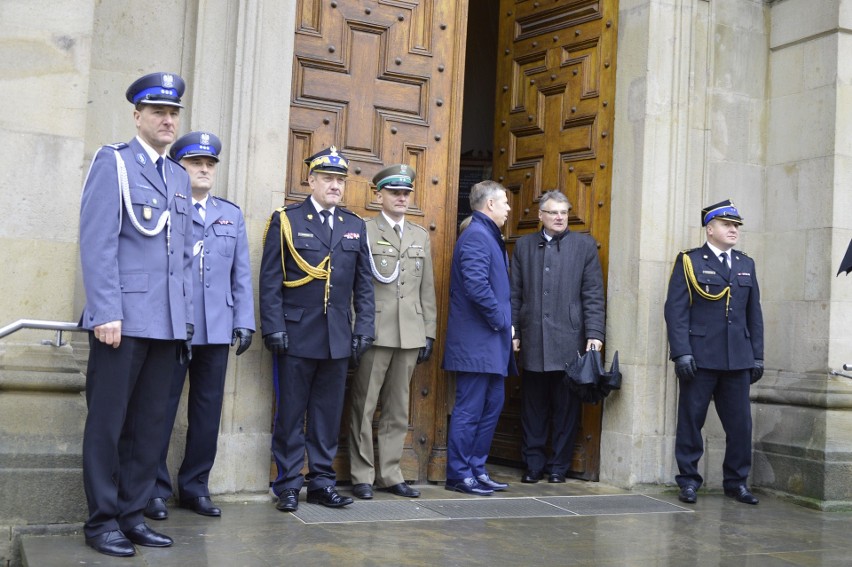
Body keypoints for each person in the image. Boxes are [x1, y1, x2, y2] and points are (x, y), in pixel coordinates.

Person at [78, 72, 194, 557]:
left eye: (174, 114)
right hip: (120, 321)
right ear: (138, 116)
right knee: (108, 424)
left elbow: (183, 256)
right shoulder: (115, 164)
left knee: (150, 426)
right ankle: (102, 520)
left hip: (166, 324)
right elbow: (97, 242)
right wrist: (106, 310)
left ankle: (132, 513)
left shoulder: (180, 176)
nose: (168, 120)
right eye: (158, 112)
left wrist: (185, 319)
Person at [144, 132, 256, 521]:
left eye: (210, 164)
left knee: (207, 413)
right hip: (173, 326)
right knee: (160, 409)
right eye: (196, 163)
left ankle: (195, 487)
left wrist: (244, 321)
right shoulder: (166, 208)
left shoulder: (231, 214)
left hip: (217, 328)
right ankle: (153, 490)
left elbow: (240, 273)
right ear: (179, 166)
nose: (205, 169)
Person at [259, 145, 375, 512]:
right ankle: (288, 483)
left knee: (326, 415)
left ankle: (322, 482)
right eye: (327, 178)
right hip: (295, 335)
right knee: (291, 413)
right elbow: (271, 280)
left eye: (340, 180)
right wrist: (272, 326)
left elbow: (364, 287)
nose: (335, 186)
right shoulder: (288, 220)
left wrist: (364, 329)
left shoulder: (354, 226)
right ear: (311, 180)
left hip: (338, 338)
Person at [664, 199, 764, 505]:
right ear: (710, 229)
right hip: (700, 358)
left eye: (736, 226)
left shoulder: (746, 264)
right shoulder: (690, 261)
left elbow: (753, 315)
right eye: (727, 225)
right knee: (691, 421)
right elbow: (676, 311)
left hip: (737, 359)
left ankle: (736, 482)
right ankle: (689, 480)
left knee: (741, 425)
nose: (734, 230)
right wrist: (681, 352)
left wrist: (757, 356)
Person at [347, 164, 437, 500]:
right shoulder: (364, 230)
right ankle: (361, 475)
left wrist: (428, 331)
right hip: (375, 329)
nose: (401, 198)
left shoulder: (419, 235)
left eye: (405, 193)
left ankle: (390, 473)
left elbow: (426, 288)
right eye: (394, 192)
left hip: (410, 332)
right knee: (364, 404)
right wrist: (358, 326)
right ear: (379, 194)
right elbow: (356, 286)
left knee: (398, 407)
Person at [510, 190, 605, 484]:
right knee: (533, 406)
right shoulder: (524, 246)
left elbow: (593, 294)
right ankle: (533, 464)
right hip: (533, 339)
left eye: (564, 212)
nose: (560, 217)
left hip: (570, 340)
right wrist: (514, 330)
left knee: (566, 408)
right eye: (553, 212)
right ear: (540, 216)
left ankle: (558, 467)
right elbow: (514, 294)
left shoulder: (584, 245)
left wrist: (595, 334)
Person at [442, 180, 518, 496]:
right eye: (505, 203)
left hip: (492, 344)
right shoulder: (475, 235)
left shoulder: (488, 234)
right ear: (489, 205)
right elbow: (476, 287)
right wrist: (503, 321)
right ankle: (459, 473)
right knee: (470, 410)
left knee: (490, 408)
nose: (509, 208)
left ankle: (476, 468)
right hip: (478, 343)